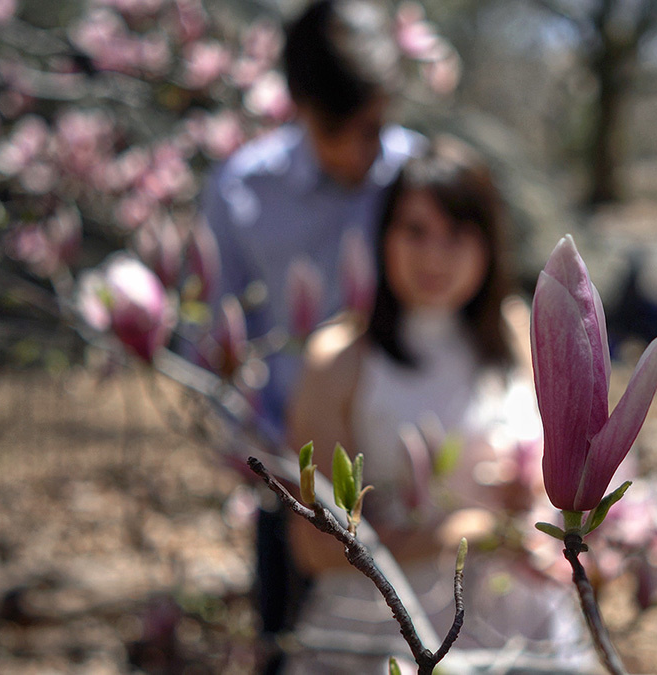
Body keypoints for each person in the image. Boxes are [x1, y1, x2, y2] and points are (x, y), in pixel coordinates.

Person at [282, 137, 594, 674]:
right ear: (384, 236)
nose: (434, 257)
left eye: (456, 235)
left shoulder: (521, 332)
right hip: (381, 624)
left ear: (489, 242)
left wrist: (537, 501)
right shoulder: (340, 360)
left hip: (523, 620)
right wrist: (455, 534)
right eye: (415, 231)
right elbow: (314, 548)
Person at [196, 1, 421, 669]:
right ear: (295, 103)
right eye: (339, 130)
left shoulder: (418, 178)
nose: (363, 150)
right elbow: (214, 340)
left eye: (376, 126)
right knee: (290, 646)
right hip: (295, 477)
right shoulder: (243, 193)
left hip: (410, 461)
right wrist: (260, 454)